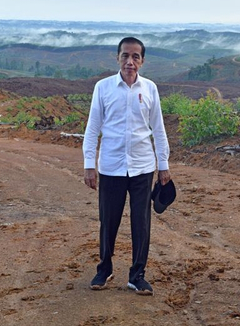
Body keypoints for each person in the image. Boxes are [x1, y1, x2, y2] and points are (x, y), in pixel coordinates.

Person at [83, 36, 171, 296]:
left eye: (135, 57)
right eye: (125, 56)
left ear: (142, 61)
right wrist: (90, 165)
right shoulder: (103, 87)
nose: (130, 62)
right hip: (111, 167)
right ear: (117, 58)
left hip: (143, 167)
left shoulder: (151, 89)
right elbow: (92, 129)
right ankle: (104, 268)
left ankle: (137, 275)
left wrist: (163, 165)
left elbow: (159, 130)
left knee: (141, 223)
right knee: (108, 221)